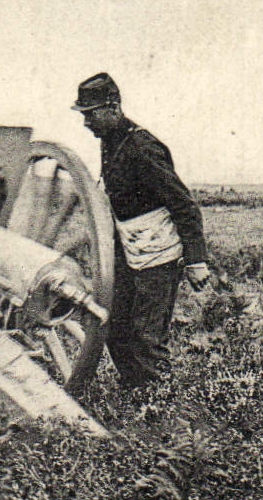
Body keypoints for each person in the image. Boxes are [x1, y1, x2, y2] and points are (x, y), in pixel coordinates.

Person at [71, 72, 211, 390]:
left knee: (147, 334)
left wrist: (196, 260)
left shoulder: (142, 148)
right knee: (115, 325)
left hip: (160, 254)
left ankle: (161, 404)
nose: (86, 123)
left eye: (90, 114)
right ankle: (138, 393)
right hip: (129, 249)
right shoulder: (111, 142)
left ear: (114, 108)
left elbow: (184, 205)